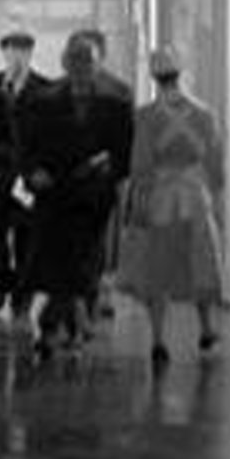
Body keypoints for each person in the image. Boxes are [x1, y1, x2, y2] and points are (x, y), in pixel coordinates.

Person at [20, 34, 133, 358]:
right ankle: (63, 324)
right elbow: (26, 147)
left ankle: (61, 324)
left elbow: (126, 155)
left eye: (88, 60)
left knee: (85, 260)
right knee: (55, 260)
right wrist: (32, 172)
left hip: (93, 197)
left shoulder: (115, 105)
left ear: (99, 64)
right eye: (76, 59)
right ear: (65, 63)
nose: (82, 66)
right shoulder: (43, 101)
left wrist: (108, 169)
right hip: (54, 193)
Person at [124, 47, 225, 368]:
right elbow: (215, 164)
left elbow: (140, 164)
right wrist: (215, 195)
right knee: (200, 261)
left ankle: (158, 339)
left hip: (160, 197)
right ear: (181, 73)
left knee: (158, 266)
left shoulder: (146, 116)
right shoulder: (204, 114)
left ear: (154, 77)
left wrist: (137, 202)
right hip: (195, 196)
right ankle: (206, 327)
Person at [0, 31, 50, 321]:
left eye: (23, 49)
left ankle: (22, 289)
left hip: (28, 176)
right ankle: (1, 280)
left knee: (26, 236)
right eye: (12, 49)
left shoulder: (45, 89)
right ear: (4, 52)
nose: (17, 55)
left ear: (31, 53)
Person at [69, 27, 134, 320]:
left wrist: (112, 165)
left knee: (104, 239)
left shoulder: (119, 91)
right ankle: (78, 299)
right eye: (77, 53)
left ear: (100, 55)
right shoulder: (60, 90)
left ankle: (99, 292)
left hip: (105, 179)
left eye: (88, 54)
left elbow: (126, 139)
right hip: (71, 179)